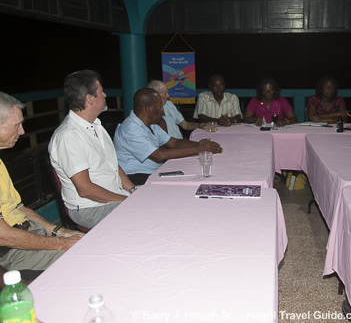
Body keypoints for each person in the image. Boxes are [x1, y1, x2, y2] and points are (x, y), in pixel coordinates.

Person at [0, 92, 83, 271]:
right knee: (86, 255)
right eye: (17, 125)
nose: (22, 132)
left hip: (28, 231)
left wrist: (59, 231)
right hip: (10, 250)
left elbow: (19, 208)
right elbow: (3, 235)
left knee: (89, 243)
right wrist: (62, 244)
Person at [49, 70, 136, 229]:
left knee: (157, 202)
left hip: (114, 198)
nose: (105, 95)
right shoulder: (69, 136)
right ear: (89, 99)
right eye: (101, 92)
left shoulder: (96, 126)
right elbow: (85, 189)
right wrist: (128, 201)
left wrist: (133, 189)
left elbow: (111, 165)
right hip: (90, 208)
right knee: (144, 214)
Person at [114, 88, 223, 185]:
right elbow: (158, 155)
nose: (162, 110)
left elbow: (174, 143)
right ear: (147, 109)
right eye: (159, 106)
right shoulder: (130, 128)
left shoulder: (151, 125)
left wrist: (199, 144)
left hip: (153, 171)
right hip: (135, 177)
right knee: (186, 183)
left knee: (193, 175)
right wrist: (199, 149)